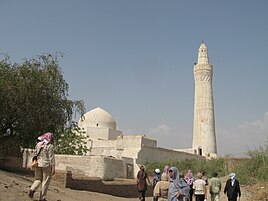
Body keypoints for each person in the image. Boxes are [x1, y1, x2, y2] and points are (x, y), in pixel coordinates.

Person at [28, 132, 55, 201]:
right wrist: (53, 168)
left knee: (37, 179)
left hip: (38, 164)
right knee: (45, 182)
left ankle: (32, 189)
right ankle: (42, 198)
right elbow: (51, 158)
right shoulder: (50, 146)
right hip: (46, 165)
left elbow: (35, 153)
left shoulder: (38, 144)